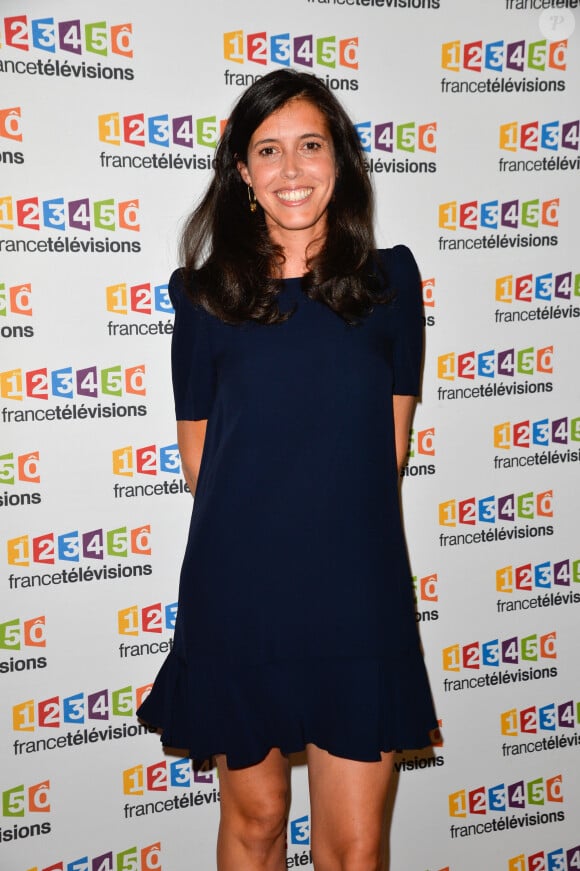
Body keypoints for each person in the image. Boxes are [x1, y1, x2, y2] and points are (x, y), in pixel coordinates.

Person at [137, 68, 438, 871]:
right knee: (257, 820)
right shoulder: (205, 297)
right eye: (267, 150)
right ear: (241, 171)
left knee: (355, 845)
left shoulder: (391, 285)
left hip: (356, 589)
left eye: (310, 145)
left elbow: (391, 447)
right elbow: (200, 461)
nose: (291, 168)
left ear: (338, 158)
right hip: (239, 591)